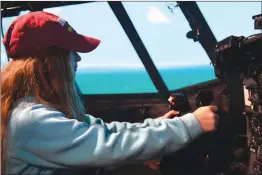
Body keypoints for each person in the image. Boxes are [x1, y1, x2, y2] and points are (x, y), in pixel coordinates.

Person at [1, 11, 218, 175]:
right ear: (50, 63)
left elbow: (102, 131)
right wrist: (191, 125)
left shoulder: (38, 110)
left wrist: (159, 125)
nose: (78, 58)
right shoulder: (30, 120)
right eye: (71, 52)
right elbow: (107, 144)